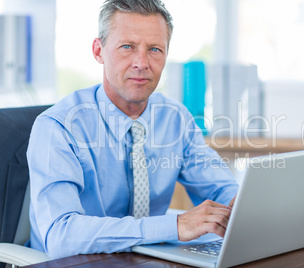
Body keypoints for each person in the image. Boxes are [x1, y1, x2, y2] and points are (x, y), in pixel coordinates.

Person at [27, 0, 238, 260]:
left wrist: (240, 205)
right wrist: (174, 226)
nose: (142, 62)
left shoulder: (175, 119)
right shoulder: (58, 128)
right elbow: (61, 236)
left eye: (155, 49)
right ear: (98, 51)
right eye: (127, 47)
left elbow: (221, 191)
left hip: (144, 260)